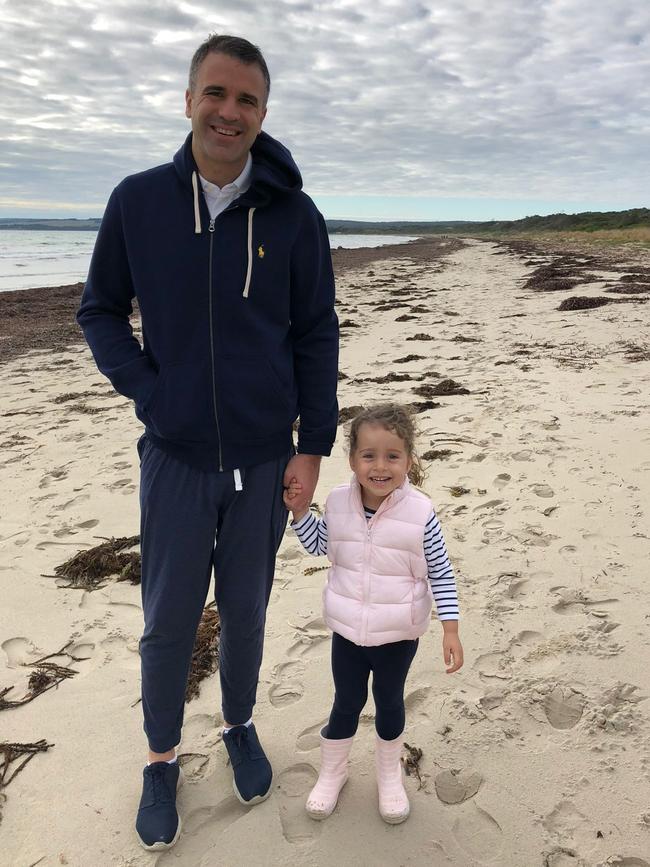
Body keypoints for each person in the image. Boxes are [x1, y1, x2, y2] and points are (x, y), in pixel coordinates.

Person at [77, 34, 338, 851]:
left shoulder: (295, 217)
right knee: (167, 619)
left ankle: (238, 723)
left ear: (263, 112)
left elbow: (315, 332)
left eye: (248, 100)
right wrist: (154, 393)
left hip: (266, 458)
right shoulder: (139, 201)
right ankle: (161, 759)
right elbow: (99, 310)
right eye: (217, 94)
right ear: (189, 100)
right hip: (177, 456)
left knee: (250, 612)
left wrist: (312, 444)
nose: (231, 112)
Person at [284, 403, 462, 824]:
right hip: (347, 632)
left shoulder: (421, 514)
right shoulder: (338, 502)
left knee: (388, 701)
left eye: (392, 456)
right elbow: (319, 546)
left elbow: (441, 572)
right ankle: (334, 772)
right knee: (346, 701)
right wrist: (298, 513)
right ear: (352, 460)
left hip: (398, 634)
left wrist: (450, 629)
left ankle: (388, 775)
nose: (380, 467)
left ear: (409, 460)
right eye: (369, 455)